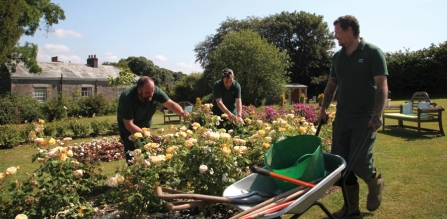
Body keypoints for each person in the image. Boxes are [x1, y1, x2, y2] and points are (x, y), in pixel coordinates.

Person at [319, 15, 388, 218]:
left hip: (364, 117)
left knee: (359, 162)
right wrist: (323, 109)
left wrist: (377, 114)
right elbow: (331, 86)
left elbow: (382, 85)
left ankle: (376, 182)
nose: (335, 36)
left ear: (350, 30)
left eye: (338, 32)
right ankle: (351, 209)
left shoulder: (372, 53)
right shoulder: (338, 57)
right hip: (343, 117)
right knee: (341, 164)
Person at [117, 76, 190, 163]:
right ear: (139, 90)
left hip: (145, 127)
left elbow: (170, 104)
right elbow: (129, 124)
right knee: (133, 157)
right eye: (147, 93)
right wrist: (150, 136)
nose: (151, 94)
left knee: (148, 155)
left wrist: (182, 113)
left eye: (152, 91)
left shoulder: (155, 91)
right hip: (129, 130)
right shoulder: (126, 97)